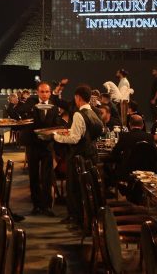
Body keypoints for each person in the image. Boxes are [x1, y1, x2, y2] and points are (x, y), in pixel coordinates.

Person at [52, 84, 104, 225]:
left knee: (74, 188)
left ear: (78, 98)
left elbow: (74, 139)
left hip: (78, 156)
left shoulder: (78, 114)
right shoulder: (94, 112)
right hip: (91, 154)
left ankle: (76, 218)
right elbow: (93, 131)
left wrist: (57, 136)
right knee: (87, 188)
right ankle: (87, 218)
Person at [20, 81, 62, 216]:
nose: (44, 94)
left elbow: (56, 124)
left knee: (47, 177)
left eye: (47, 92)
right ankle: (36, 205)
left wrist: (53, 133)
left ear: (50, 93)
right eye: (42, 91)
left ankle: (47, 206)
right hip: (33, 145)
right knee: (33, 176)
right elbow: (20, 114)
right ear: (37, 92)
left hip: (47, 146)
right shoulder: (31, 104)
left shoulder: (54, 108)